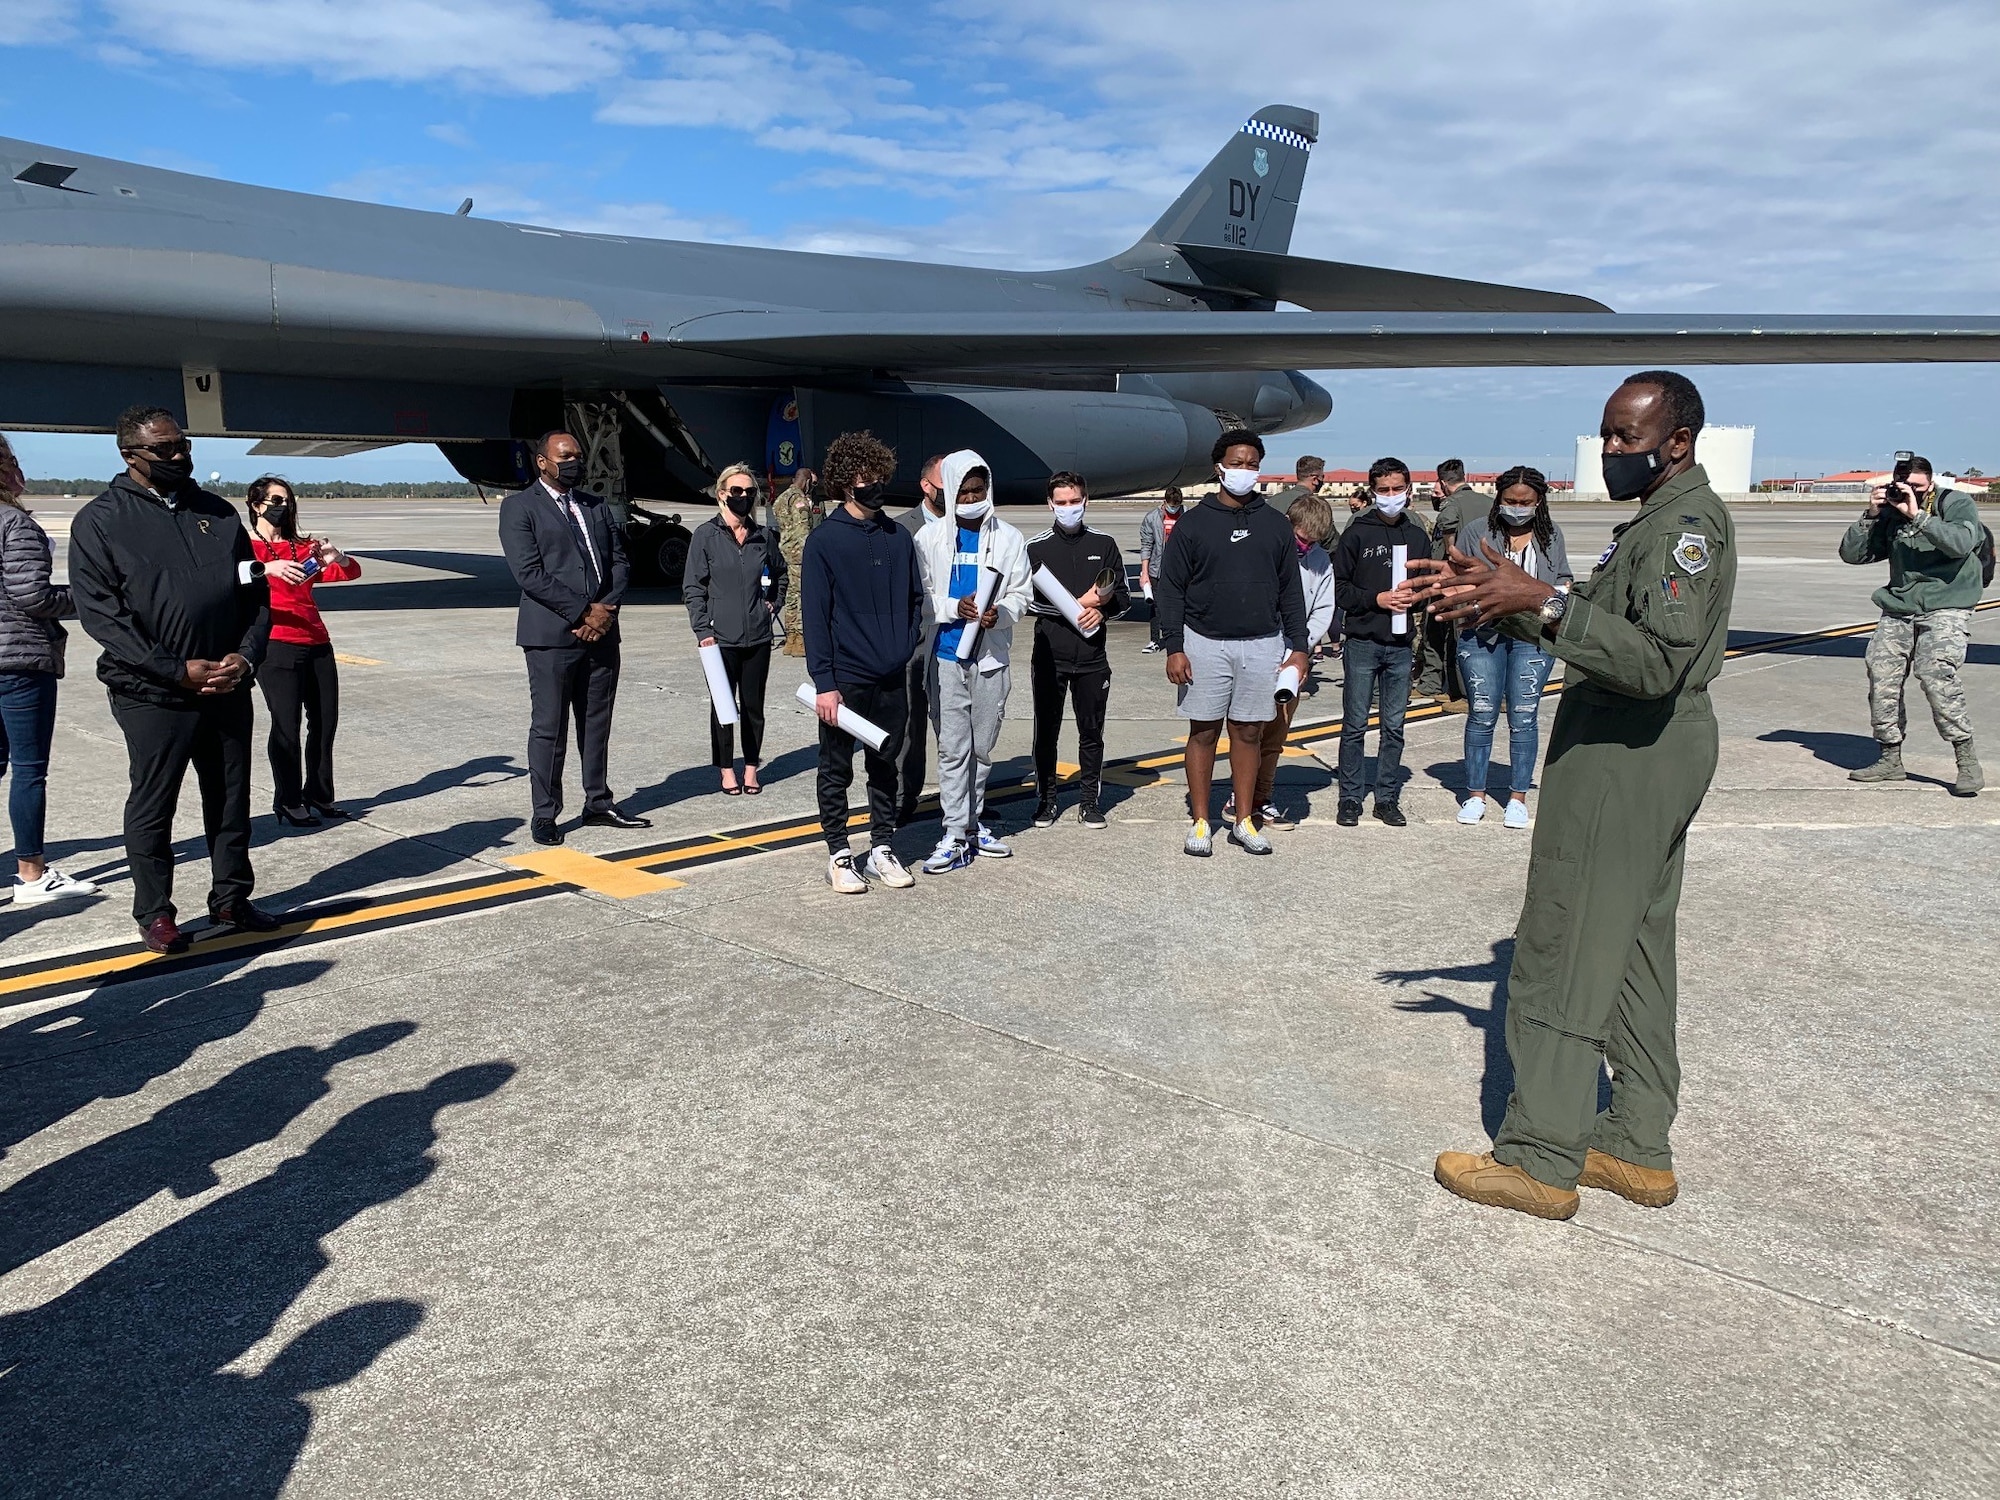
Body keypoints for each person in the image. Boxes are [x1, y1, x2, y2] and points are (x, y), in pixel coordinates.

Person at [1427, 370, 1736, 1221]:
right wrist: (1498, 596)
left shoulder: (1686, 531)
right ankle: (1635, 1143)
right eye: (1604, 435)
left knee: (1563, 944)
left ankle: (1539, 1156)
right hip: (1643, 746)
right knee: (1634, 947)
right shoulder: (1658, 521)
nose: (1609, 451)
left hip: (1629, 750)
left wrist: (1549, 601)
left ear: (1676, 442)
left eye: (1625, 438)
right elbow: (1600, 627)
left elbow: (1653, 662)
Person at [70, 407, 276, 953]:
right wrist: (173, 669)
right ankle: (156, 912)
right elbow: (102, 616)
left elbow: (255, 596)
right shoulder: (100, 520)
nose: (180, 456)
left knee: (231, 799)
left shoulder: (220, 514)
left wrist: (246, 658)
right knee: (154, 802)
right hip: (152, 692)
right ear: (130, 456)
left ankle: (232, 898)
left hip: (226, 683)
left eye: (183, 445)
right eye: (165, 450)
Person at [1156, 428, 1309, 858]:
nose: (1245, 471)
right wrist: (1174, 646)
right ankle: (1201, 820)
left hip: (1262, 643)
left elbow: (1290, 591)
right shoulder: (1193, 524)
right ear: (1219, 468)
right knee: (1203, 731)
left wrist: (1298, 646)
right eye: (1237, 462)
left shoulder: (1276, 524)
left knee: (1248, 733)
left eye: (1252, 463)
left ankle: (1244, 818)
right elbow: (1171, 591)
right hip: (1203, 641)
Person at [498, 431, 649, 846]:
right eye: (565, 456)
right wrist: (583, 611)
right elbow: (529, 574)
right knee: (549, 729)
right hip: (551, 636)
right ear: (542, 462)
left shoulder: (596, 507)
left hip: (601, 634)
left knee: (596, 723)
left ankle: (598, 801)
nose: (574, 463)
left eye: (577, 456)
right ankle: (545, 813)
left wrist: (604, 610)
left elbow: (619, 561)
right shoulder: (519, 508)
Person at [801, 430, 923, 894]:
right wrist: (824, 683)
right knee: (836, 767)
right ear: (844, 481)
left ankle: (882, 847)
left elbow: (915, 599)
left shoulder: (898, 538)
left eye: (879, 475)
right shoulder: (824, 542)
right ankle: (838, 852)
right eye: (864, 476)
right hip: (846, 679)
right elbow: (815, 616)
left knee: (885, 763)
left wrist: (905, 642)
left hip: (892, 674)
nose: (875, 484)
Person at [913, 449, 1031, 873]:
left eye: (978, 491)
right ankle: (952, 830)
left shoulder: (1009, 538)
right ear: (948, 494)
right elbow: (921, 599)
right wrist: (951, 608)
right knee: (952, 750)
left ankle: (975, 822)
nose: (971, 498)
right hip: (946, 658)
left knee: (982, 749)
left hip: (991, 660)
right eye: (962, 492)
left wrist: (1003, 613)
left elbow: (1022, 593)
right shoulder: (927, 540)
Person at [1839, 455, 1984, 796]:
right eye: (1903, 486)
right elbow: (1853, 555)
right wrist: (1872, 515)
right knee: (1882, 674)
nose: (1908, 492)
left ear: (1930, 484)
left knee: (1936, 674)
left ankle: (1966, 760)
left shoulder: (1956, 504)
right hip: (1901, 605)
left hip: (1948, 603)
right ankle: (1890, 757)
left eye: (1916, 487)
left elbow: (1961, 544)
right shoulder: (1891, 512)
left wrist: (1917, 515)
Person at [0, 434, 95, 905]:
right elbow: (32, 596)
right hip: (18, 658)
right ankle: (32, 876)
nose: (21, 470)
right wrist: (89, 601)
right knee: (29, 770)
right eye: (12, 461)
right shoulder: (14, 523)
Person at [1452, 467, 1571, 828]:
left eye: (1526, 503)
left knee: (1523, 715)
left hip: (1532, 636)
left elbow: (1563, 578)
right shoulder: (1477, 531)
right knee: (1483, 711)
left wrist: (1556, 600)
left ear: (1539, 502)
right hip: (1482, 632)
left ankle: (1517, 796)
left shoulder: (1550, 535)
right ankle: (1475, 793)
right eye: (1510, 501)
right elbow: (1457, 574)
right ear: (1498, 498)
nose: (1518, 508)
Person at [246, 476, 361, 829]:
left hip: (316, 641)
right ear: (256, 505)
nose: (283, 507)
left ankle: (320, 794)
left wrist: (336, 556)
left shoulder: (303, 546)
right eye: (275, 501)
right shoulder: (247, 550)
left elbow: (350, 572)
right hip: (276, 643)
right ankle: (289, 800)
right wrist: (266, 568)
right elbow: (223, 578)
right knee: (286, 725)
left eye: (287, 501)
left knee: (325, 723)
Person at [1026, 471, 1129, 830]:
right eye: (1062, 503)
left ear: (1085, 501)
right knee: (1047, 731)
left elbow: (1124, 598)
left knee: (1091, 732)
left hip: (1092, 658)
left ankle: (1089, 801)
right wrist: (1074, 605)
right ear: (1050, 504)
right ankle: (1047, 800)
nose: (1069, 508)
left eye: (1075, 501)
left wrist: (1101, 610)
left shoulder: (1105, 544)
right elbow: (1027, 603)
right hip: (1049, 656)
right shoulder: (1035, 548)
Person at [1331, 458, 1431, 827]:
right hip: (1362, 641)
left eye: (1397, 489)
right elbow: (1339, 587)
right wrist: (1377, 600)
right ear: (1373, 492)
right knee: (1355, 724)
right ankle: (1350, 797)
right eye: (1384, 490)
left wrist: (1415, 598)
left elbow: (1426, 584)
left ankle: (1386, 797)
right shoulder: (1358, 533)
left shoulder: (1417, 535)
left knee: (1394, 726)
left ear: (1408, 489)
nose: (1391, 496)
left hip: (1401, 645)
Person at [1231, 490, 1338, 831]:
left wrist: (1300, 649)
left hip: (1293, 657)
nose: (1306, 547)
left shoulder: (1320, 562)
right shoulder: (1266, 549)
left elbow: (1323, 609)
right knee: (1250, 732)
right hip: (1257, 649)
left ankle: (1263, 798)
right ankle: (1239, 798)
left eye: (1314, 542)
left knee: (1276, 734)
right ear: (1288, 525)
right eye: (1302, 539)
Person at [683, 462, 787, 796]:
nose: (743, 497)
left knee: (754, 707)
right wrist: (703, 629)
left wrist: (772, 602)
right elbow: (693, 587)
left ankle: (752, 768)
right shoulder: (706, 536)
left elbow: (781, 574)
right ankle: (727, 769)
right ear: (722, 494)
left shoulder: (762, 536)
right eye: (737, 491)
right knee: (724, 708)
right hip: (719, 638)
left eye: (749, 492)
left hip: (757, 635)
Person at [895, 454, 949, 822]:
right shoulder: (902, 529)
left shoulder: (968, 526)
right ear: (926, 487)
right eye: (946, 486)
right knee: (910, 724)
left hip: (953, 638)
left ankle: (962, 798)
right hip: (914, 641)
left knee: (955, 724)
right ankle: (902, 797)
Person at [1420, 458, 1478, 699]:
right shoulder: (1488, 503)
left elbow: (1447, 531)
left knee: (1453, 635)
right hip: (1485, 579)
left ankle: (1460, 692)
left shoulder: (1451, 506)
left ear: (1444, 484)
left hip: (1454, 582)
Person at [774, 467, 820, 659]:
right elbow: (803, 532)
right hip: (800, 556)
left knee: (791, 597)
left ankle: (791, 639)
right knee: (802, 597)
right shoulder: (799, 500)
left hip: (786, 553)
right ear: (807, 481)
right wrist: (810, 555)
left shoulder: (781, 498)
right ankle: (800, 639)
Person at [1136, 485, 1184, 653]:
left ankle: (1179, 639)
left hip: (1181, 570)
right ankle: (1155, 640)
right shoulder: (1152, 518)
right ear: (1165, 502)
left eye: (1177, 506)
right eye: (1172, 506)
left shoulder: (1186, 516)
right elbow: (1146, 546)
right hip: (1158, 569)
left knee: (1181, 604)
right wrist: (1145, 573)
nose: (1174, 509)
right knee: (1156, 606)